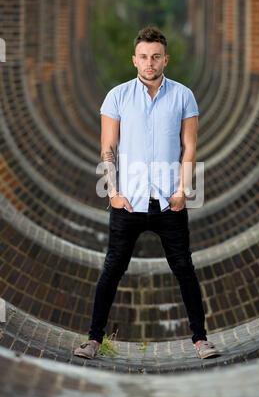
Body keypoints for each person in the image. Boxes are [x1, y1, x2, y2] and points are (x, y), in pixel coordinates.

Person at [74, 27, 220, 360]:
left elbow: (190, 148)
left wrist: (183, 191)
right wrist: (113, 192)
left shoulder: (184, 96)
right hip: (129, 202)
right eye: (143, 57)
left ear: (165, 59)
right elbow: (107, 147)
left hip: (170, 202)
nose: (149, 63)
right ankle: (94, 340)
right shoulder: (117, 96)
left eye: (155, 57)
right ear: (134, 60)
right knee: (112, 269)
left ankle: (201, 340)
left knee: (184, 269)